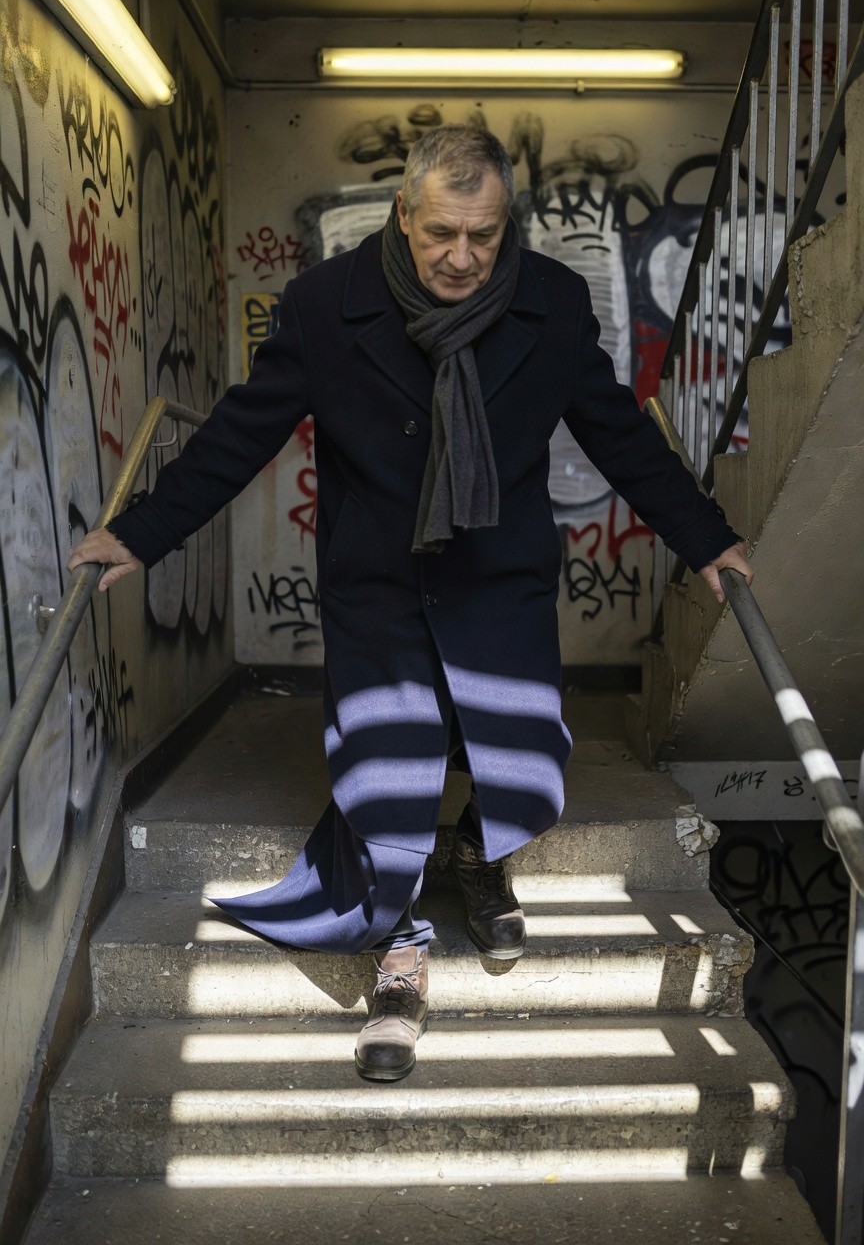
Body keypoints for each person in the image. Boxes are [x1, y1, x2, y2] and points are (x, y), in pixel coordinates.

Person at [68, 125, 752, 1083]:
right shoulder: (323, 308)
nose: (463, 258)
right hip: (380, 585)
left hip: (496, 577)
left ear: (504, 223)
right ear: (403, 212)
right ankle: (400, 953)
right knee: (387, 781)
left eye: (483, 235)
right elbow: (239, 435)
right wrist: (141, 533)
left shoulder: (552, 306)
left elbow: (619, 436)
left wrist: (705, 537)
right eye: (442, 234)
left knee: (527, 774)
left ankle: (476, 857)